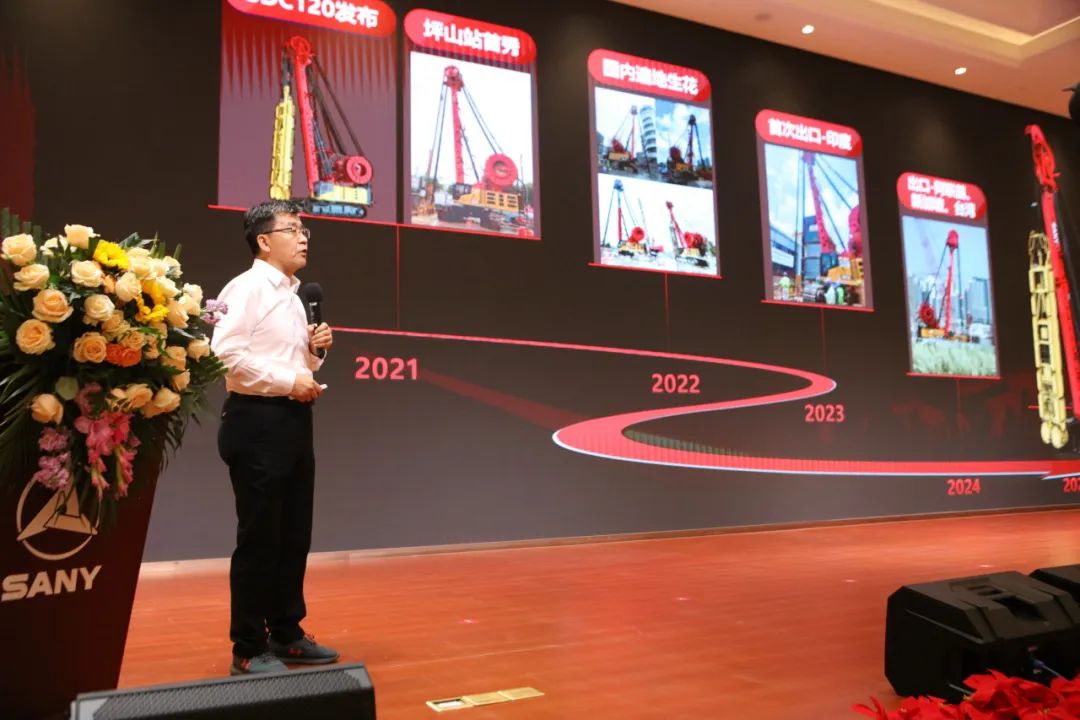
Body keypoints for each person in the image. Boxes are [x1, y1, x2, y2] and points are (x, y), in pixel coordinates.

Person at [211, 200, 337, 675]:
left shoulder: (295, 296)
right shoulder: (247, 288)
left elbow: (294, 364)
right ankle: (248, 645)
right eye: (293, 229)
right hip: (257, 421)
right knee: (260, 537)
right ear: (264, 241)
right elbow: (224, 354)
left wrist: (315, 354)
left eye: (305, 230)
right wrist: (289, 381)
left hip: (292, 421)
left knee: (292, 535)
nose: (304, 237)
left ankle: (286, 632)